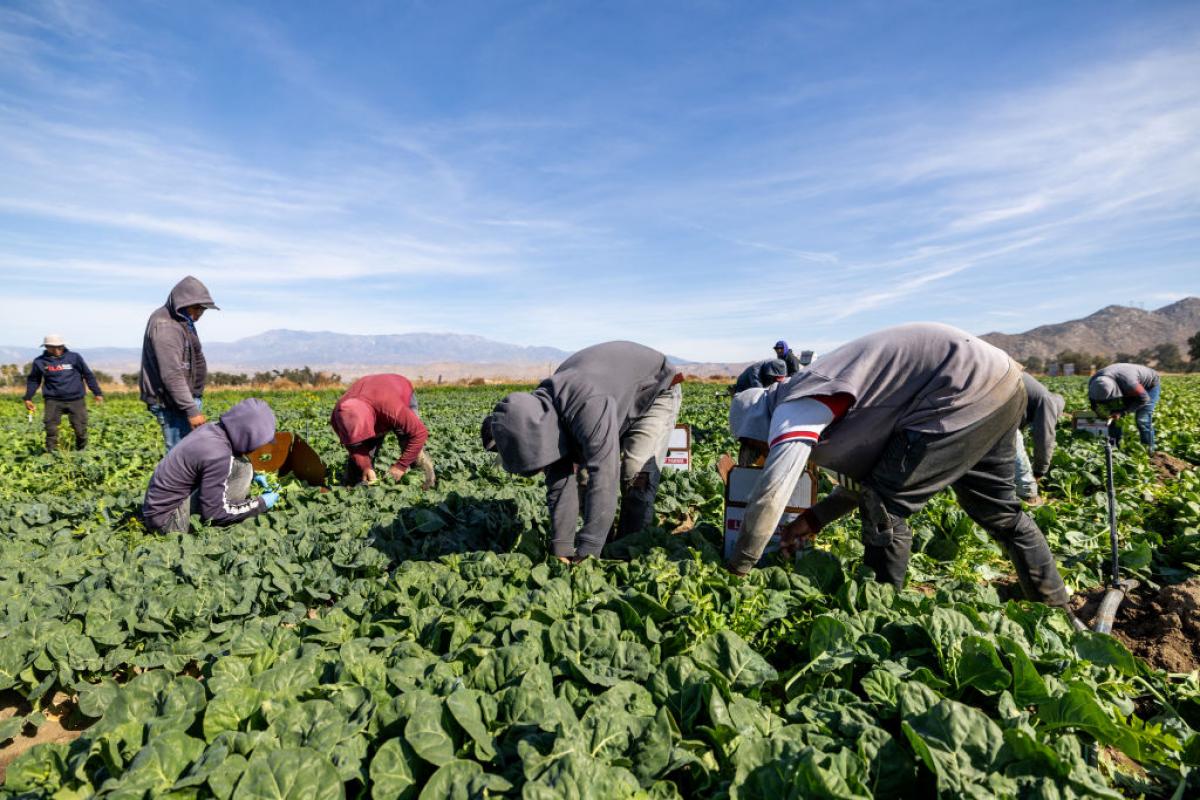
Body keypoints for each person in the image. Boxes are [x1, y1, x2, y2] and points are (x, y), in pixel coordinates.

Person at [727, 323, 1079, 625]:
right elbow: (868, 479)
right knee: (1000, 512)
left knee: (884, 509)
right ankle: (1057, 610)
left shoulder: (795, 405)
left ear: (760, 425)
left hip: (957, 388)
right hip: (996, 383)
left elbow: (773, 490)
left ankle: (880, 617)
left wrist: (740, 564)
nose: (760, 454)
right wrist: (816, 519)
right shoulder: (818, 401)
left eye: (756, 447)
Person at [482, 341, 682, 561]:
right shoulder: (540, 418)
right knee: (584, 481)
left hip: (654, 390)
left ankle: (629, 555)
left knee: (635, 475)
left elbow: (605, 474)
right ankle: (605, 545)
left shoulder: (586, 403)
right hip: (612, 399)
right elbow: (560, 482)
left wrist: (587, 553)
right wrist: (562, 550)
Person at [141, 398, 278, 533]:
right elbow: (215, 513)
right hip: (168, 522)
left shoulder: (213, 429)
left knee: (243, 467)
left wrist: (255, 476)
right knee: (244, 469)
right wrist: (260, 504)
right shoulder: (217, 453)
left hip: (156, 512)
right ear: (248, 436)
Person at [140, 276, 219, 451]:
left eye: (203, 309)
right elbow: (172, 373)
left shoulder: (183, 321)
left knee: (190, 455)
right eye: (197, 308)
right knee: (180, 457)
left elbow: (196, 355)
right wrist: (191, 409)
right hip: (173, 403)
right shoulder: (166, 325)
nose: (200, 313)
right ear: (182, 302)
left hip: (183, 400)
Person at [330, 374, 435, 487]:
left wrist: (401, 466)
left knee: (410, 444)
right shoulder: (337, 418)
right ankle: (353, 487)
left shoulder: (390, 407)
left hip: (398, 392)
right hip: (374, 400)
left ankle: (427, 484)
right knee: (360, 463)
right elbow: (354, 446)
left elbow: (419, 433)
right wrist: (366, 467)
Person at [23, 334, 105, 452]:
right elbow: (34, 380)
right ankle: (52, 456)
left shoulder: (74, 357)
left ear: (63, 346)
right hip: (53, 400)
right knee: (51, 430)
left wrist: (97, 393)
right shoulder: (40, 362)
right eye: (52, 347)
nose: (57, 350)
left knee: (80, 429)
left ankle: (82, 453)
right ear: (46, 347)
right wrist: (28, 398)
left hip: (76, 399)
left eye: (59, 347)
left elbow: (88, 375)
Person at [1014, 372, 1064, 504]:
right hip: (997, 404)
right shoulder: (1047, 401)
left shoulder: (1037, 396)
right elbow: (1045, 440)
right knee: (1012, 443)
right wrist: (1038, 472)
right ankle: (1028, 498)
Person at [1089, 363, 1160, 452]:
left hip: (1148, 387)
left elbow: (1144, 399)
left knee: (1142, 419)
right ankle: (1113, 448)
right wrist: (1098, 413)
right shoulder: (1093, 382)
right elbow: (1093, 403)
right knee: (1113, 418)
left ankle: (1149, 451)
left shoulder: (1129, 383)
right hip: (1125, 385)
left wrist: (1122, 412)